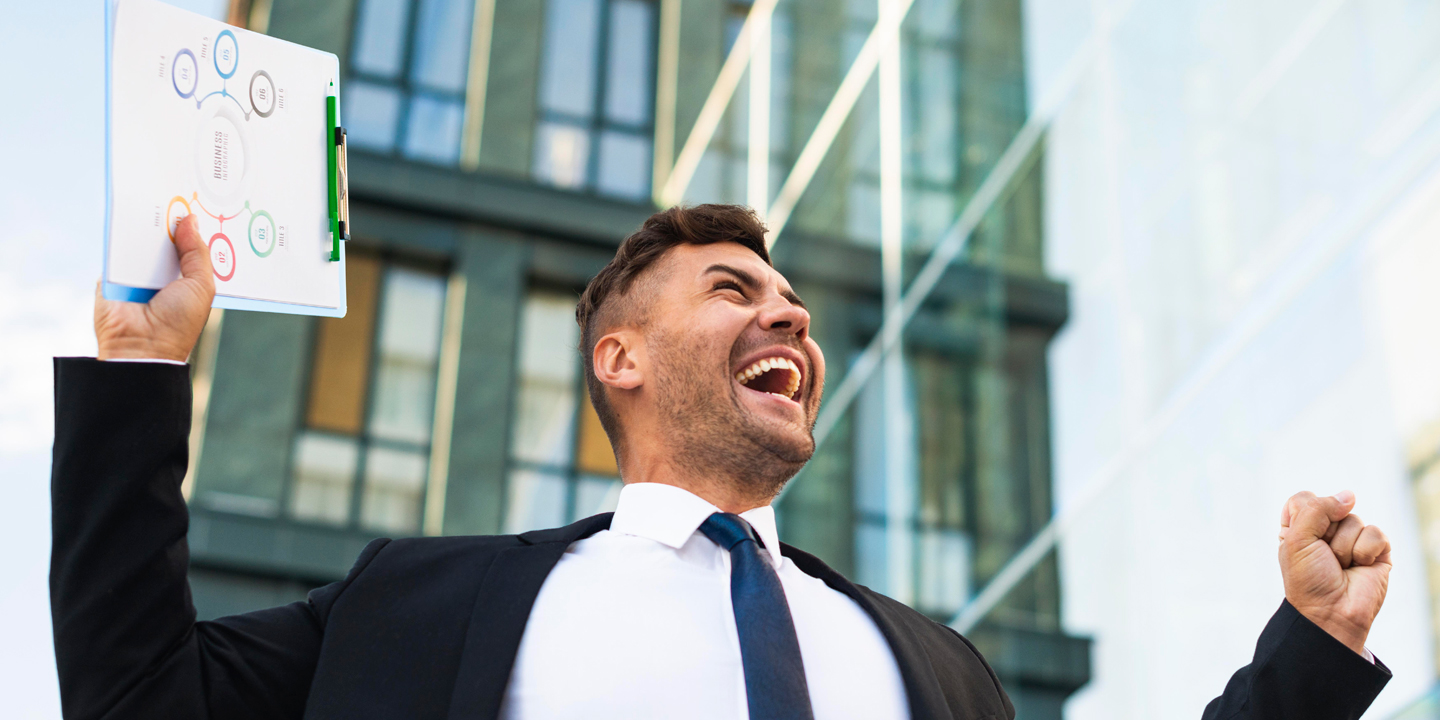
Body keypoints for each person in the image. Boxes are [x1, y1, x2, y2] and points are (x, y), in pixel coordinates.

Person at [52, 205, 1393, 720]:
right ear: (621, 359)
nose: (790, 314)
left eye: (793, 300)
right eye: (733, 287)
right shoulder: (417, 608)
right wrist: (137, 380)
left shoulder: (941, 670)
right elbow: (137, 699)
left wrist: (1312, 650)